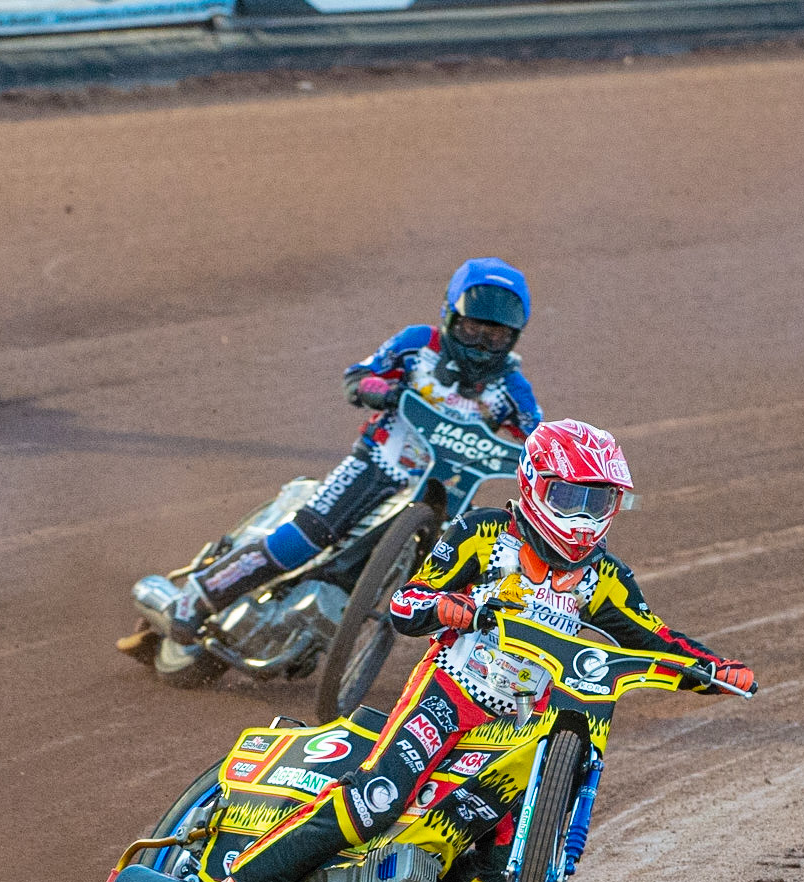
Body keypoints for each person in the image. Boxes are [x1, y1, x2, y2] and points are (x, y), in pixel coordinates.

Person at [185, 419, 756, 882]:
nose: (583, 519)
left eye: (598, 502)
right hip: (448, 693)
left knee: (506, 873)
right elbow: (406, 602)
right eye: (569, 497)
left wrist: (716, 669)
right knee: (377, 799)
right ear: (532, 485)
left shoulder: (606, 579)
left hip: (518, 724)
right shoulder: (482, 533)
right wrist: (446, 606)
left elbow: (658, 640)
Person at [148, 258, 543, 644]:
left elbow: (539, 441)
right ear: (451, 316)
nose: (481, 344)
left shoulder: (513, 389)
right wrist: (379, 390)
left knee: (455, 568)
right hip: (378, 462)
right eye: (473, 328)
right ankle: (197, 596)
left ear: (513, 337)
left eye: (495, 336)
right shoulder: (418, 344)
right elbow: (359, 375)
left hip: (445, 491)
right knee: (308, 536)